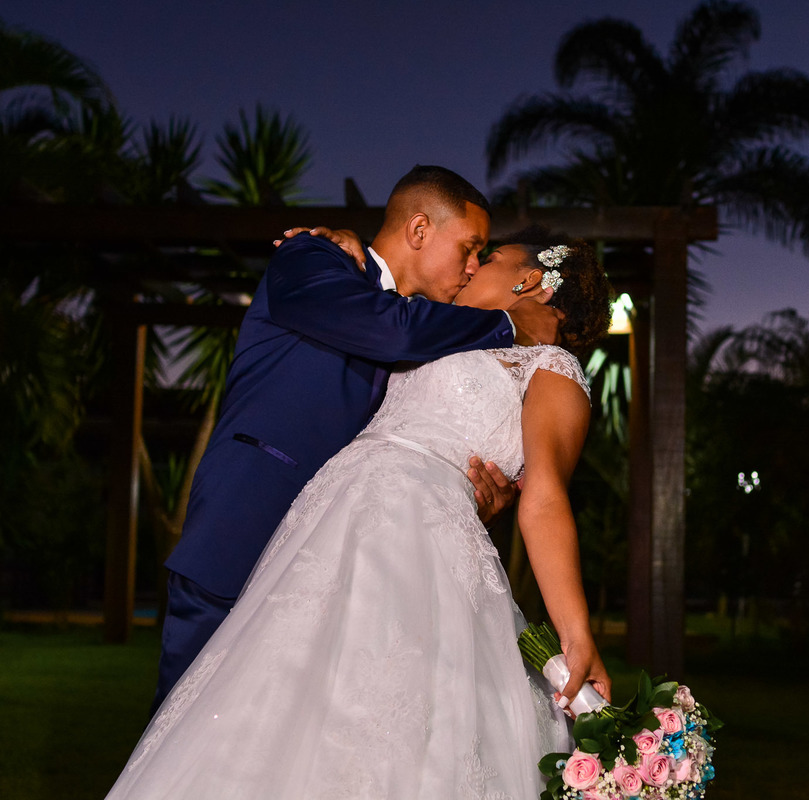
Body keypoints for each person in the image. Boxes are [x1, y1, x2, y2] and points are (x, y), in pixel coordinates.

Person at [107, 230, 613, 799]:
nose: (471, 267)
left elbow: (544, 495)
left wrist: (575, 634)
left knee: (386, 709)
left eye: (487, 258)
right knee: (277, 706)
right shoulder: (441, 330)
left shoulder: (552, 369)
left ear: (528, 281)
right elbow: (381, 320)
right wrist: (345, 238)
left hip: (414, 541)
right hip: (322, 524)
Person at [153, 165, 563, 712]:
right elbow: (388, 328)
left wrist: (468, 489)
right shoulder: (313, 259)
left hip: (333, 568)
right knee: (185, 732)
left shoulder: (438, 332)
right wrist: (512, 325)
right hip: (245, 527)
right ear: (419, 230)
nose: (471, 268)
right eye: (469, 248)